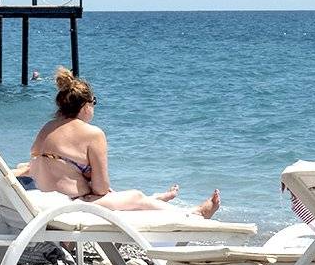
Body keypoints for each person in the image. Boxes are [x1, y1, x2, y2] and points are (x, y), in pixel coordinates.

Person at [29, 67, 220, 217]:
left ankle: (155, 199)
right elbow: (101, 189)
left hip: (45, 201)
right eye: (94, 102)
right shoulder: (93, 134)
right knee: (135, 196)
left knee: (130, 198)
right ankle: (193, 214)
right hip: (72, 206)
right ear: (86, 106)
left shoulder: (47, 128)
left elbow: (40, 166)